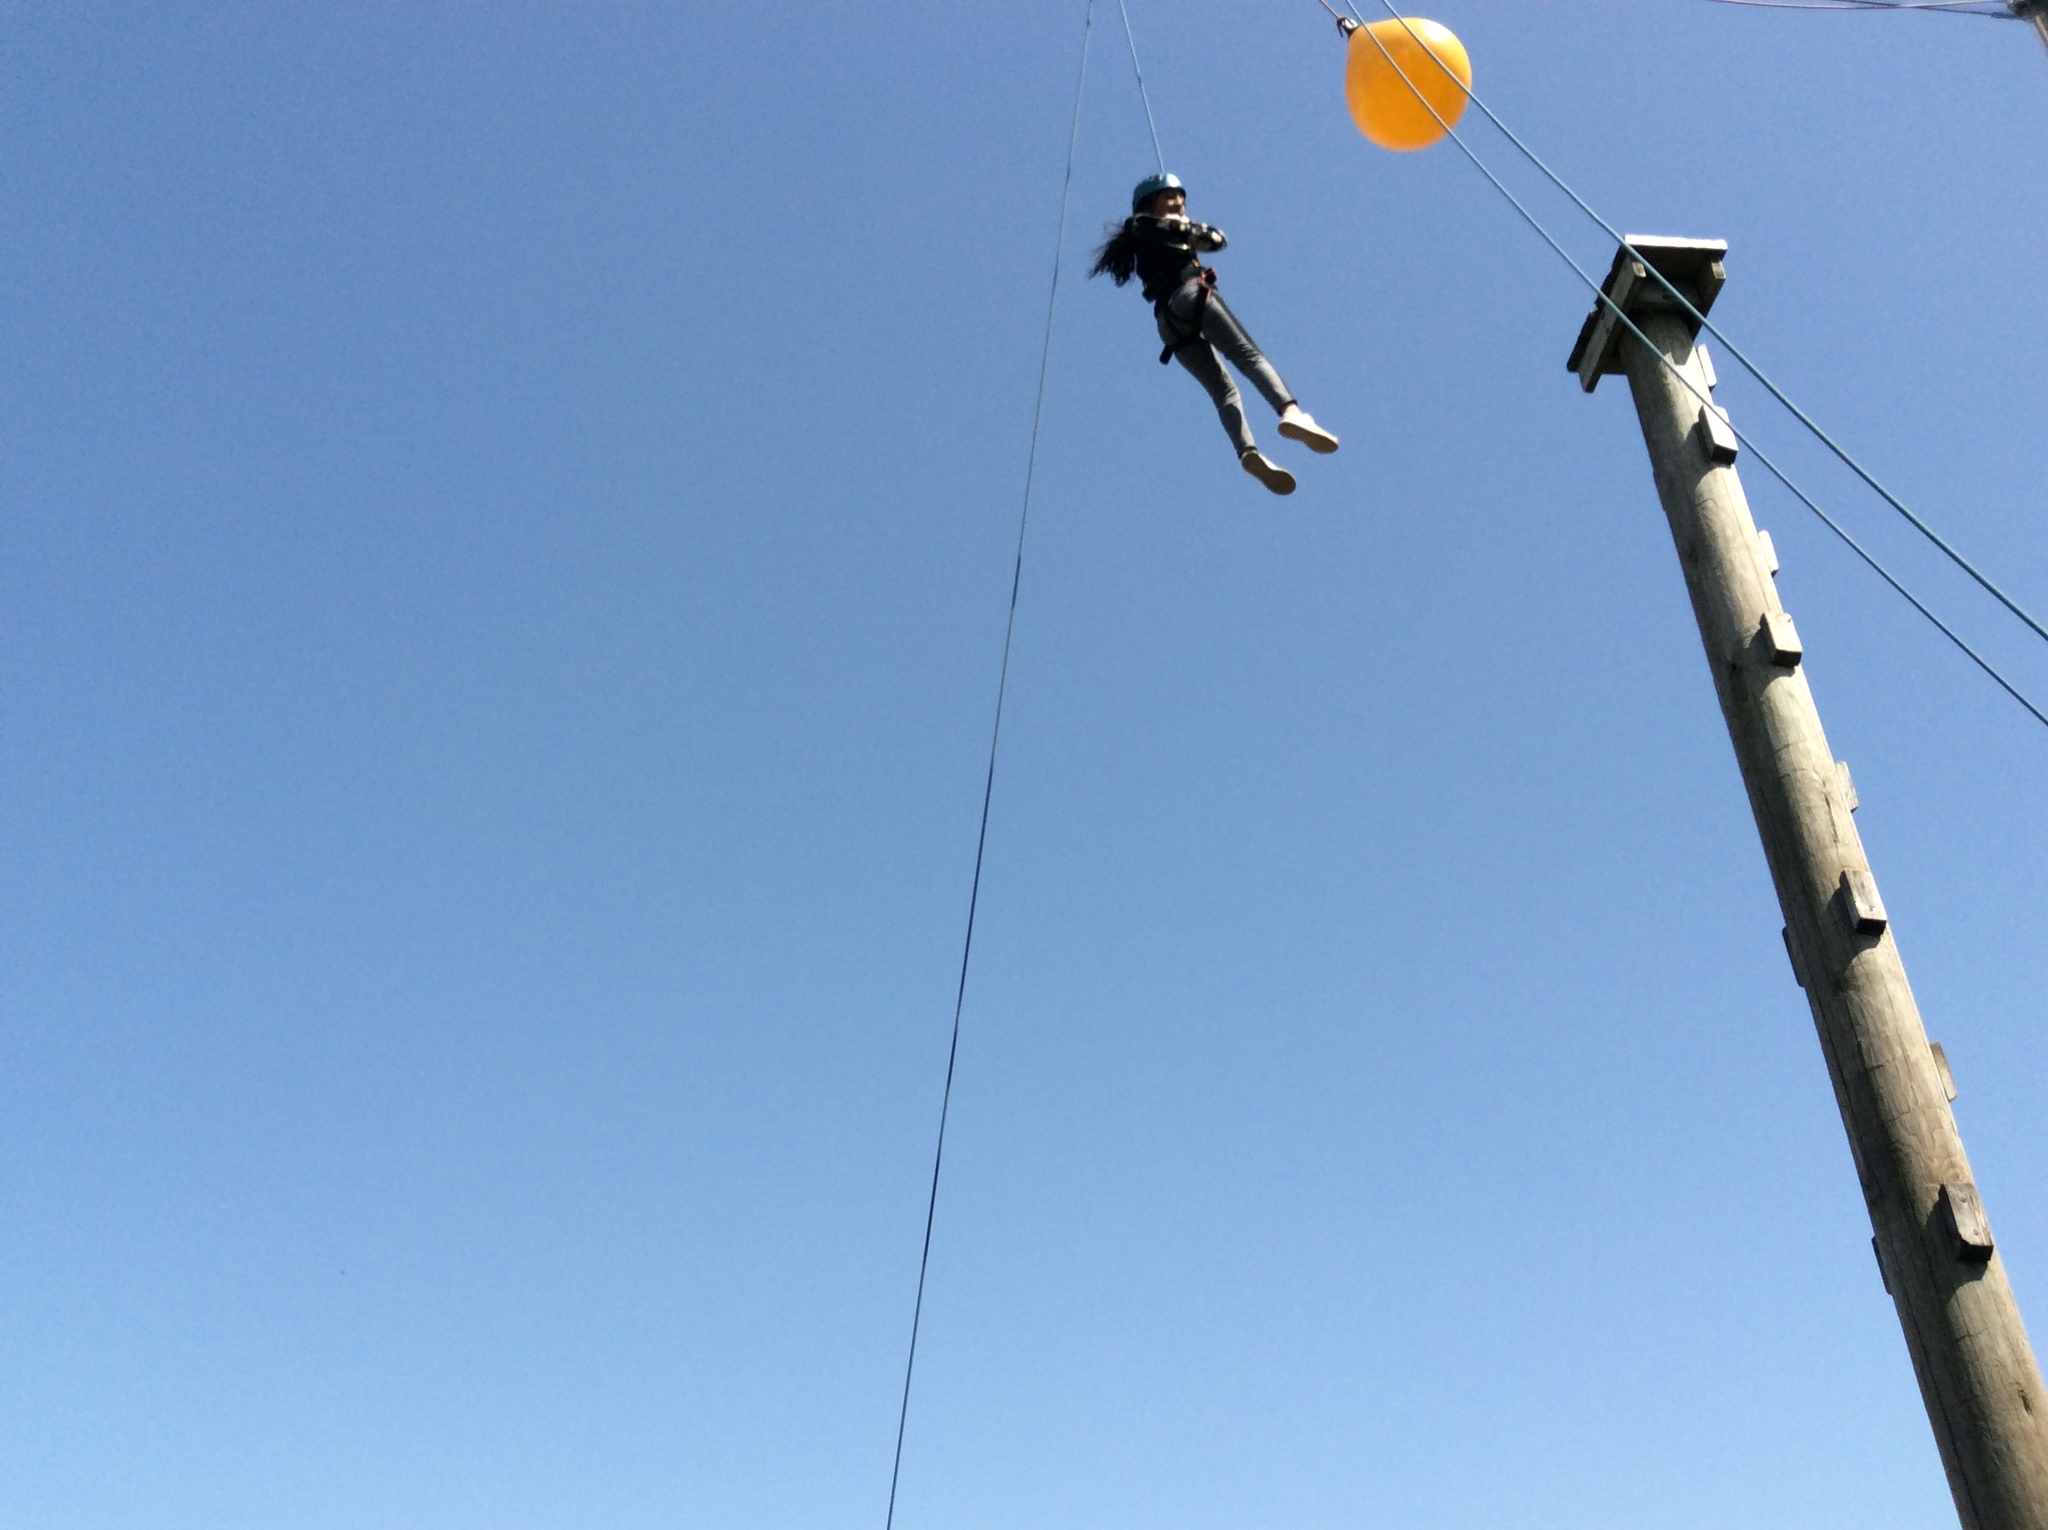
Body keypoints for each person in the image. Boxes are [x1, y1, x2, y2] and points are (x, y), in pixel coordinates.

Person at [1090, 172, 1338, 496]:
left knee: (1223, 391)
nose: (1178, 203)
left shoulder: (1140, 234)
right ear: (1150, 204)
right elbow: (1217, 240)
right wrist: (1190, 228)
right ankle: (1290, 412)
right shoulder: (1150, 225)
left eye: (1181, 198)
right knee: (1250, 358)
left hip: (1169, 324)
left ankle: (1247, 452)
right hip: (1192, 295)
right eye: (1170, 198)